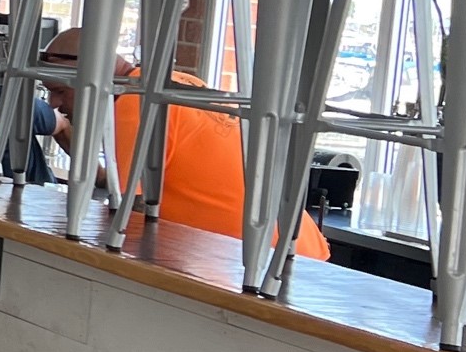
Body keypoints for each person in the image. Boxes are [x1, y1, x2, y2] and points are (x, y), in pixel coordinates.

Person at [38, 27, 328, 260]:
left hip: (264, 261)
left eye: (60, 91)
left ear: (92, 75)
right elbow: (120, 188)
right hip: (294, 249)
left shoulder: (134, 105)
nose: (53, 103)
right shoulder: (171, 82)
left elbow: (127, 220)